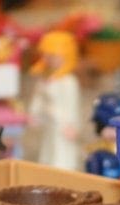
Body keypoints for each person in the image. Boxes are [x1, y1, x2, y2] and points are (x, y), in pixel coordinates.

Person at [27, 31, 81, 170]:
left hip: (62, 121)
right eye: (47, 55)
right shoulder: (45, 77)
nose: (49, 59)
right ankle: (48, 166)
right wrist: (34, 114)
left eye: (53, 56)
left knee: (61, 148)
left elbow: (72, 105)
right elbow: (39, 97)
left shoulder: (68, 81)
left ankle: (63, 169)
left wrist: (72, 125)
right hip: (49, 120)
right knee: (49, 145)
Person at [84, 91, 120, 180]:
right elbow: (92, 178)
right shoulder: (98, 153)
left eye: (115, 128)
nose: (110, 132)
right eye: (104, 126)